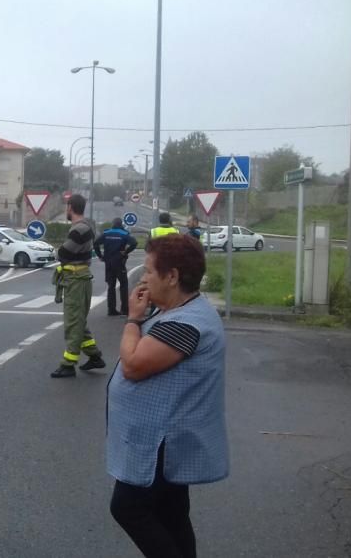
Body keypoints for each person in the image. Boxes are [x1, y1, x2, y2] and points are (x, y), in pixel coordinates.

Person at [107, 234, 229, 558]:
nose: (143, 278)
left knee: (128, 508)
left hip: (163, 442)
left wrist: (133, 319)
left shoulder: (185, 323)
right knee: (171, 513)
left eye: (148, 270)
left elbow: (133, 366)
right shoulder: (181, 311)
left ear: (172, 276)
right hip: (168, 438)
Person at [50, 194, 105, 378]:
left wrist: (61, 254)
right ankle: (95, 356)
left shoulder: (79, 229)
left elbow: (63, 253)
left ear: (70, 207)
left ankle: (68, 364)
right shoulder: (86, 226)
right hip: (79, 278)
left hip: (76, 279)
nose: (66, 210)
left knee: (73, 322)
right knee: (78, 320)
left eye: (67, 207)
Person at [94, 218, 138, 316]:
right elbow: (134, 243)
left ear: (112, 224)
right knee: (123, 285)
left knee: (111, 286)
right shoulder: (124, 234)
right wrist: (126, 252)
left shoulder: (106, 233)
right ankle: (125, 309)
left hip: (108, 263)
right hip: (119, 262)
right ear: (121, 224)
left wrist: (100, 256)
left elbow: (96, 243)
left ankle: (111, 310)